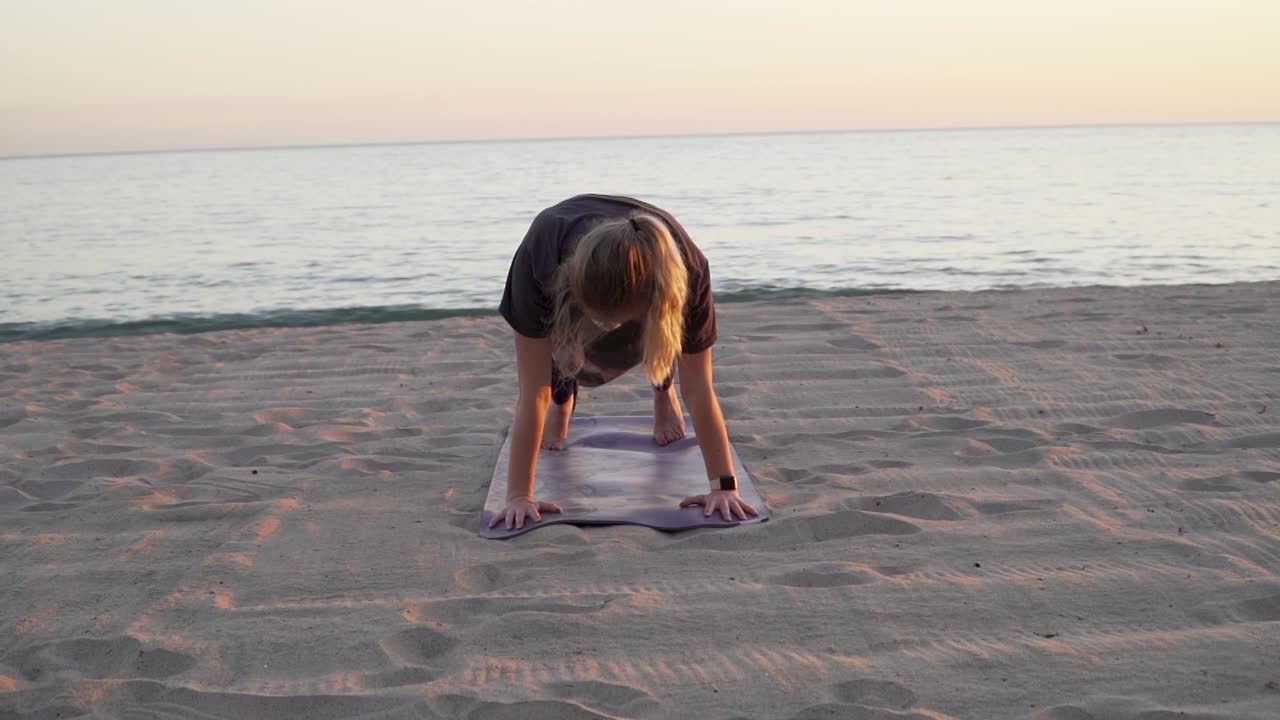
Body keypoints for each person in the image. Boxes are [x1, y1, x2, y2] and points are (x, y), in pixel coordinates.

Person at [493, 193, 759, 530]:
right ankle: (565, 399)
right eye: (603, 321)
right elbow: (533, 392)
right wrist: (519, 496)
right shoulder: (539, 261)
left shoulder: (689, 273)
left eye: (618, 322)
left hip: (655, 285)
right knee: (561, 358)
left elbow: (700, 389)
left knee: (660, 336)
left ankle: (662, 389)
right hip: (559, 262)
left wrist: (723, 488)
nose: (610, 330)